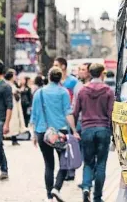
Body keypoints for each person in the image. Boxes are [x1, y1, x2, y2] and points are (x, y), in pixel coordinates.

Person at [30, 67, 80, 202]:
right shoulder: (64, 92)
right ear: (60, 78)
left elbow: (34, 116)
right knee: (65, 163)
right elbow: (68, 113)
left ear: (49, 77)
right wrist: (74, 131)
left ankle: (49, 196)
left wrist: (34, 135)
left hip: (42, 132)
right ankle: (56, 189)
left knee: (48, 164)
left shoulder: (38, 93)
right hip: (60, 133)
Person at [73, 63, 114, 202]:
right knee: (101, 164)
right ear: (101, 73)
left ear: (90, 73)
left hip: (87, 130)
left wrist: (74, 130)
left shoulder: (83, 91)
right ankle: (97, 197)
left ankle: (86, 187)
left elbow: (75, 112)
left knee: (88, 162)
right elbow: (111, 113)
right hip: (103, 130)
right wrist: (113, 133)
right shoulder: (108, 91)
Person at [53, 57, 79, 181]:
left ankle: (71, 170)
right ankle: (63, 168)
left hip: (70, 116)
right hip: (58, 117)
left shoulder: (73, 81)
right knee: (60, 144)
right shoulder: (55, 82)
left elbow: (76, 98)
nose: (54, 67)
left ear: (63, 66)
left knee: (71, 143)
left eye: (56, 64)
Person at [4, 69, 27, 146]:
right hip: (11, 107)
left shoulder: (12, 84)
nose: (15, 77)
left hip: (14, 107)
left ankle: (14, 138)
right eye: (14, 75)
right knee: (12, 122)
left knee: (14, 122)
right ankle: (12, 138)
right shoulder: (8, 85)